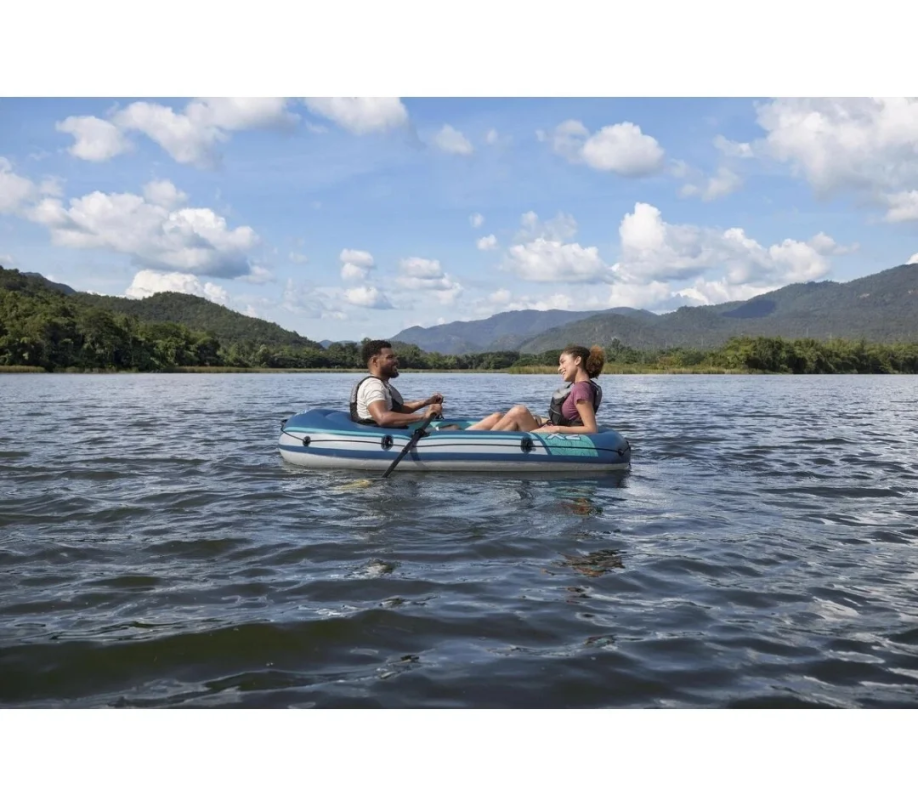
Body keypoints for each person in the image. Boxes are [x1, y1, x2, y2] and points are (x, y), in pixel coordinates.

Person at [467, 345, 605, 434]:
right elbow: (568, 419)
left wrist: (555, 429)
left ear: (577, 360)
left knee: (519, 411)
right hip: (545, 430)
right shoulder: (578, 387)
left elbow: (591, 429)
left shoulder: (582, 389)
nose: (559, 368)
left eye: (562, 362)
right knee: (497, 416)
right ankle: (459, 436)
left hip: (550, 438)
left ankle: (478, 445)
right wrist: (543, 421)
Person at [350, 340, 445, 427]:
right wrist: (424, 416)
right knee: (450, 428)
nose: (396, 361)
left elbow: (399, 409)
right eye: (390, 357)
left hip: (390, 431)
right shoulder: (373, 386)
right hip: (379, 434)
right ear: (375, 361)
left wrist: (427, 402)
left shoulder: (381, 384)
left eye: (394, 357)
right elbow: (382, 418)